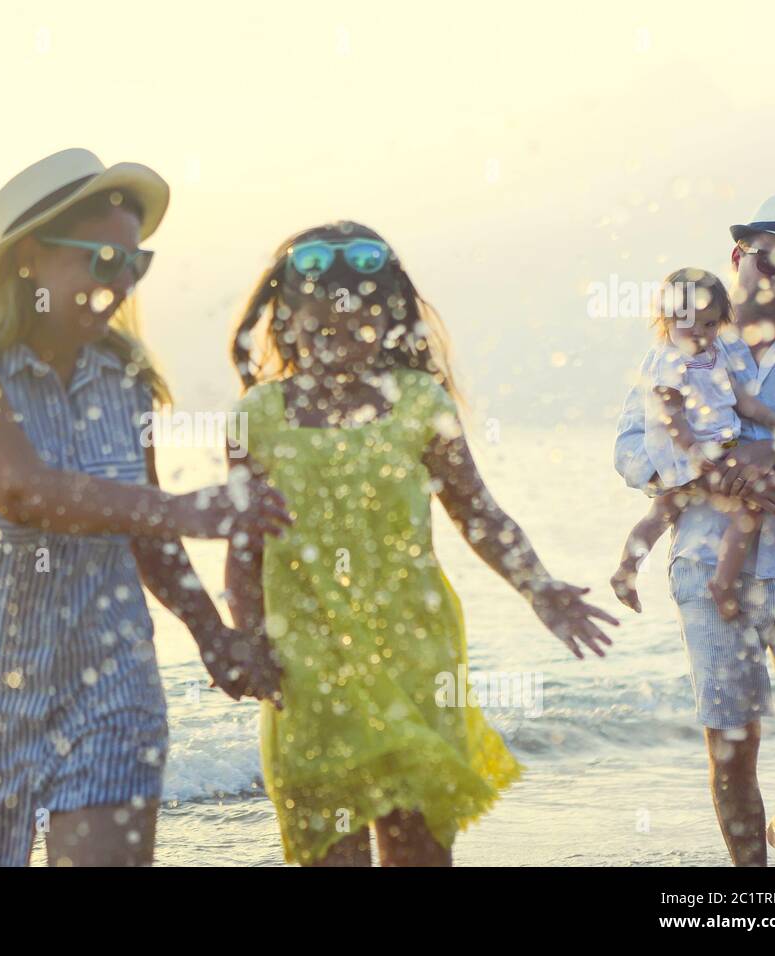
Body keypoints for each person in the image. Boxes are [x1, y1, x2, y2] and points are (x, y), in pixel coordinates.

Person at [0, 149, 290, 867]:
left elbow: (143, 526)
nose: (123, 282)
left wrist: (214, 633)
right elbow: (21, 490)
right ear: (29, 260)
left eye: (136, 263)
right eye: (104, 260)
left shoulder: (126, 374)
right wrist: (189, 510)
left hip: (111, 681)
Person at [225, 221, 617, 866]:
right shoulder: (256, 417)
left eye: (357, 324)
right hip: (307, 662)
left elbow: (477, 512)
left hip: (416, 653)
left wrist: (539, 586)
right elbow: (243, 547)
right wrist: (242, 636)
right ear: (285, 321)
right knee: (329, 848)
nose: (339, 339)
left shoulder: (418, 402)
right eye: (321, 326)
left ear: (387, 321)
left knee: (418, 850)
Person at [614, 194, 775, 866]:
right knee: (732, 747)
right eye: (768, 256)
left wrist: (768, 456)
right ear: (738, 256)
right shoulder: (671, 349)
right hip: (709, 569)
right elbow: (629, 450)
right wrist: (709, 472)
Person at [610, 269, 775, 618]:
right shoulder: (669, 359)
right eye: (688, 321)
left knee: (743, 512)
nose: (699, 332)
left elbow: (739, 399)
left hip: (719, 449)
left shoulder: (716, 353)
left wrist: (772, 419)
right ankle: (629, 570)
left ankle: (720, 581)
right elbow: (670, 415)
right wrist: (691, 451)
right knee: (662, 514)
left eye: (709, 324)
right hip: (687, 455)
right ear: (666, 317)